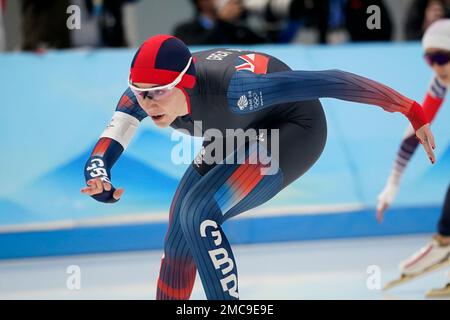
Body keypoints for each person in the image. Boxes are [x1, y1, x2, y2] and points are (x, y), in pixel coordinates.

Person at [81, 34, 435, 300]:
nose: (147, 102)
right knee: (178, 226)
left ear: (184, 83)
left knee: (199, 214)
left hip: (296, 128)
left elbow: (331, 80)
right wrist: (98, 174)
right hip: (235, 131)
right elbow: (110, 140)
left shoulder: (236, 90)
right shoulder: (143, 94)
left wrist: (409, 108)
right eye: (140, 92)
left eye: (157, 92)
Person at [377, 19, 450, 296]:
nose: (436, 66)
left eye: (442, 57)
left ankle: (444, 241)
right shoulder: (441, 81)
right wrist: (392, 184)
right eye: (429, 59)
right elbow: (414, 134)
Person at [173, 0, 265, 45]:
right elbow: (199, 51)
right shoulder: (184, 30)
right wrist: (222, 22)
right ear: (201, 2)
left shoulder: (239, 30)